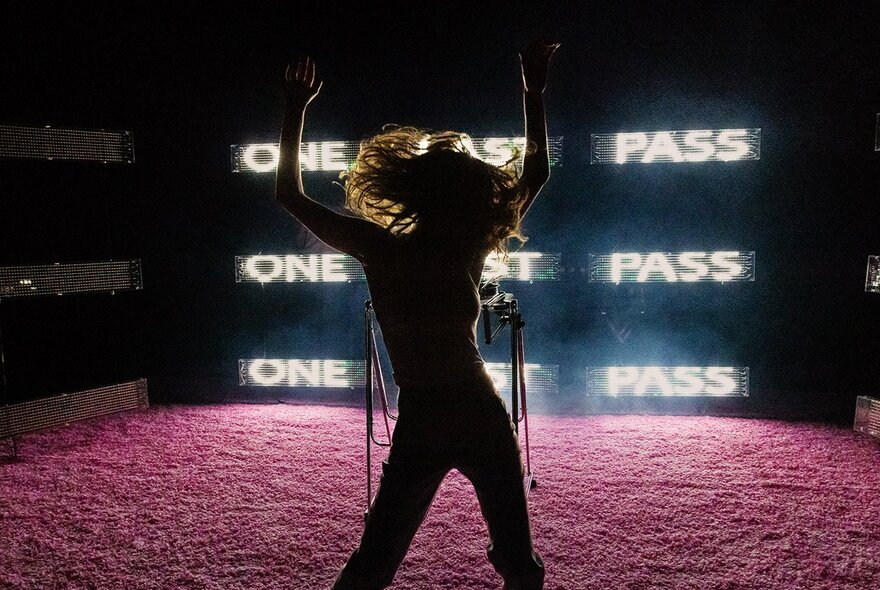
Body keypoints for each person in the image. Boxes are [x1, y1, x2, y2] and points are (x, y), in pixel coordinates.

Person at [275, 39, 559, 590]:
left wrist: (294, 109)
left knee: (387, 567)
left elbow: (289, 194)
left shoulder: (398, 246)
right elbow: (537, 173)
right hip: (459, 415)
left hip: (450, 416)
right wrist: (533, 92)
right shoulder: (456, 243)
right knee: (497, 567)